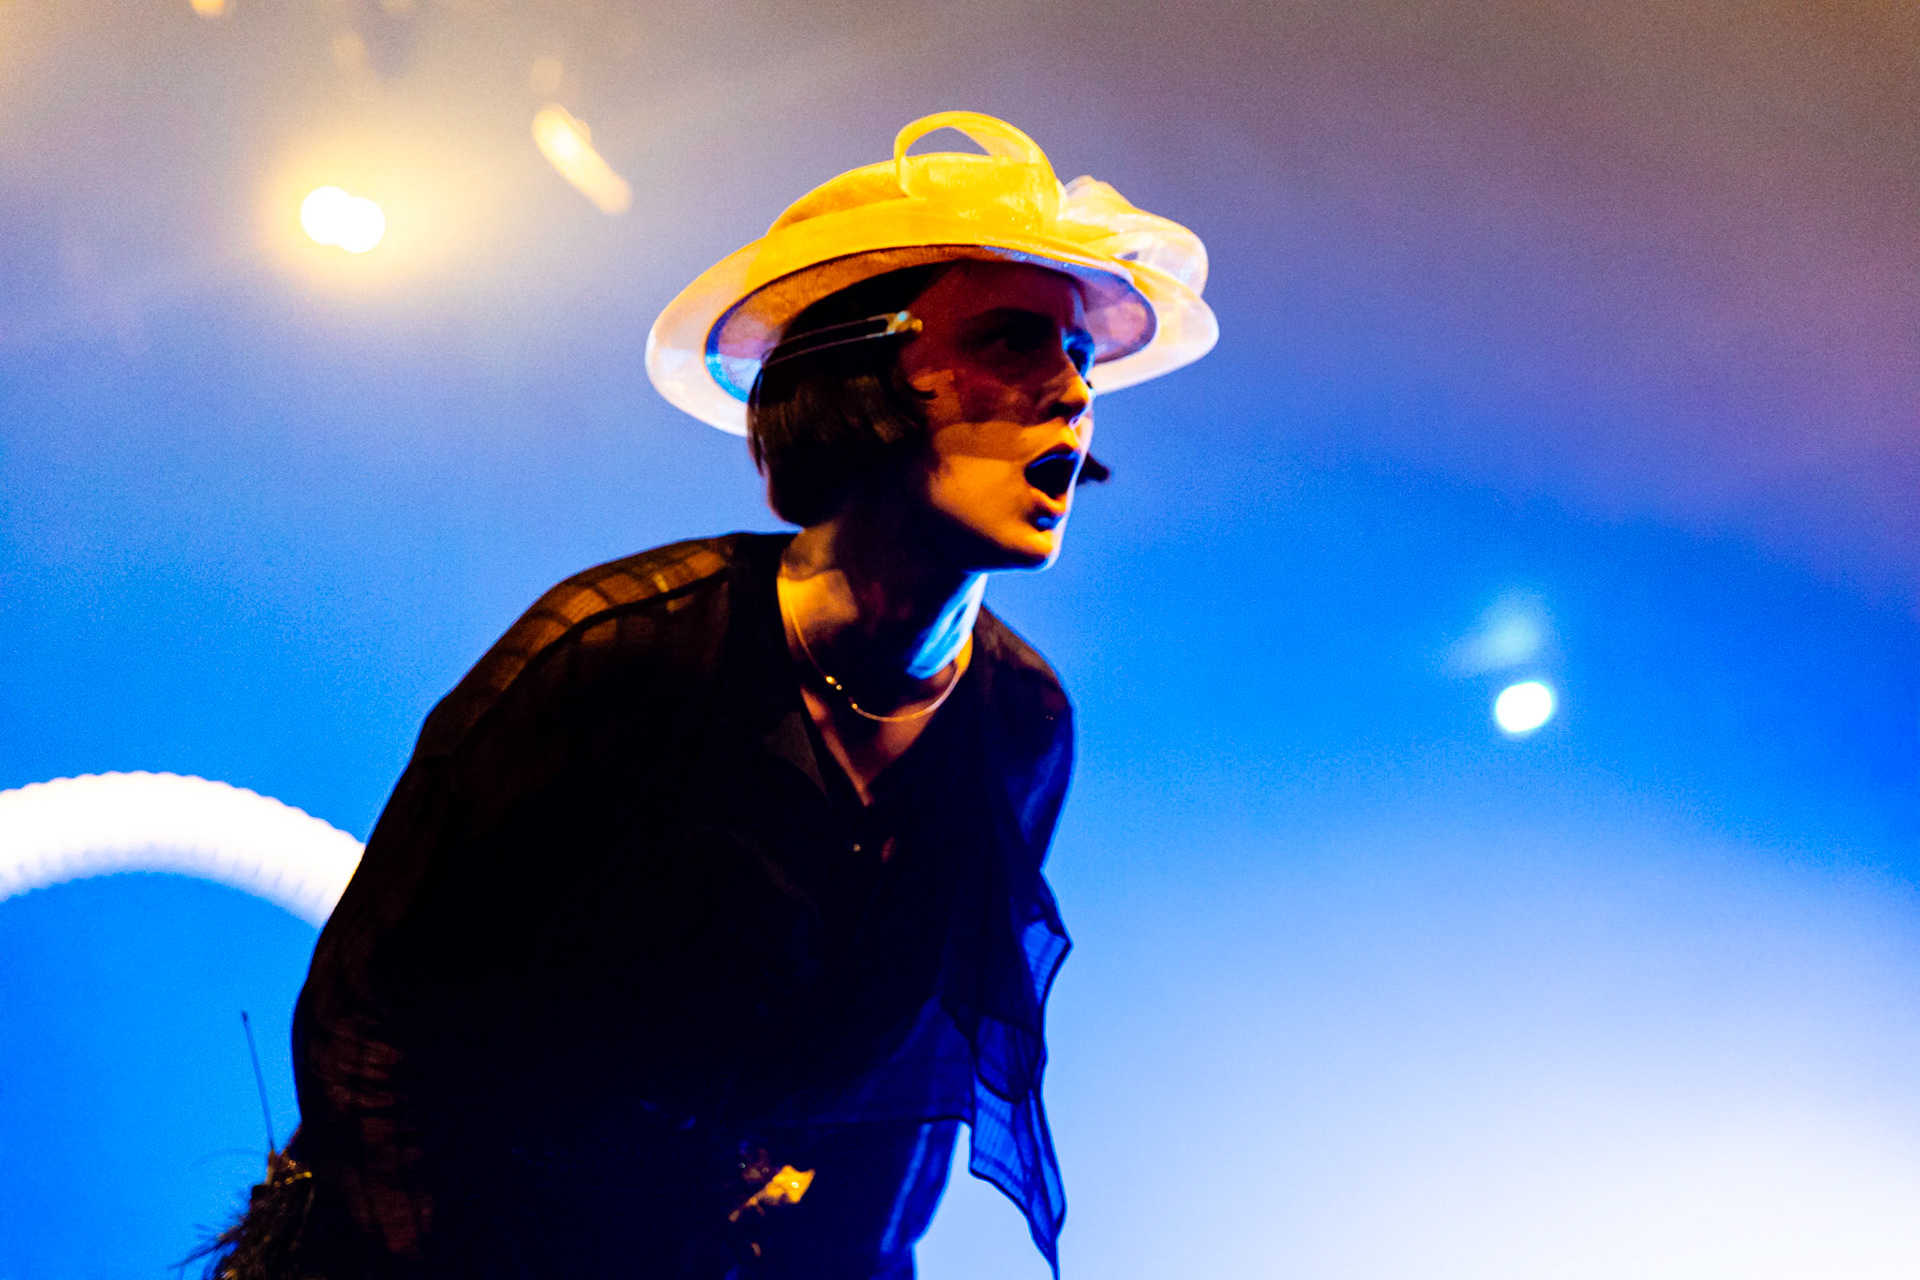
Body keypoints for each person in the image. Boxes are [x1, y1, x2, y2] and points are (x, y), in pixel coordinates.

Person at [205, 111, 1214, 1280]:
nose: (1073, 390)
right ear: (860, 378)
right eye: (1010, 340)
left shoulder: (1019, 725)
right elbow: (370, 1023)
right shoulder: (615, 652)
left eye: (1081, 356)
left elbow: (896, 1121)